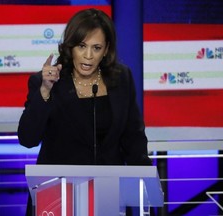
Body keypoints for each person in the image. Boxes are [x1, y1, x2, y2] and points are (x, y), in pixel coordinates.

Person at [18, 8, 152, 215]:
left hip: (107, 195)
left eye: (96, 47)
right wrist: (45, 90)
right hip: (57, 198)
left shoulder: (121, 79)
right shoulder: (48, 82)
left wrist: (146, 189)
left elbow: (133, 138)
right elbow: (27, 138)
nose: (88, 56)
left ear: (106, 50)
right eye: (82, 46)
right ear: (71, 47)